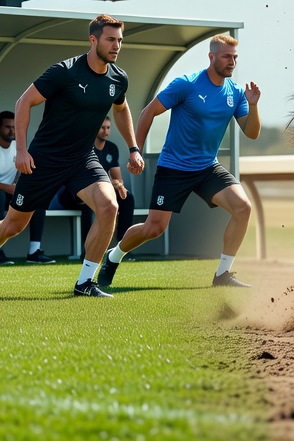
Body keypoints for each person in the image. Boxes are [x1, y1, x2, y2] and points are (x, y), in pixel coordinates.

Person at [0, 14, 144, 298]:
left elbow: (120, 108)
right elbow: (24, 102)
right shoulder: (64, 72)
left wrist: (133, 148)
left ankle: (85, 282)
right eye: (110, 39)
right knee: (13, 226)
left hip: (82, 159)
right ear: (93, 40)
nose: (117, 45)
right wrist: (21, 151)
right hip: (44, 159)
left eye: (119, 40)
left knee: (109, 206)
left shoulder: (118, 78)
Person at [97, 35, 260, 288]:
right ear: (211, 57)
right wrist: (135, 150)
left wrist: (253, 105)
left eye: (235, 57)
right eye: (227, 56)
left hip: (208, 167)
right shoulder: (186, 84)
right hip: (174, 168)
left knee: (243, 208)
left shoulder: (236, 93)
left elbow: (251, 132)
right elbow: (148, 112)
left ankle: (223, 275)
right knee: (154, 228)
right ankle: (114, 255)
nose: (232, 62)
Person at [0, 111, 48, 265]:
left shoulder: (19, 148)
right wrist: (9, 188)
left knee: (36, 198)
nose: (12, 131)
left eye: (14, 127)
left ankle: (34, 251)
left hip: (9, 193)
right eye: (8, 127)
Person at [54, 119, 135, 250]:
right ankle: (88, 250)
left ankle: (122, 247)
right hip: (72, 193)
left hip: (99, 190)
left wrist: (118, 186)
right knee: (88, 200)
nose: (105, 131)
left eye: (108, 128)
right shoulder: (84, 146)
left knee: (127, 198)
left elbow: (117, 178)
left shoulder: (112, 148)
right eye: (102, 127)